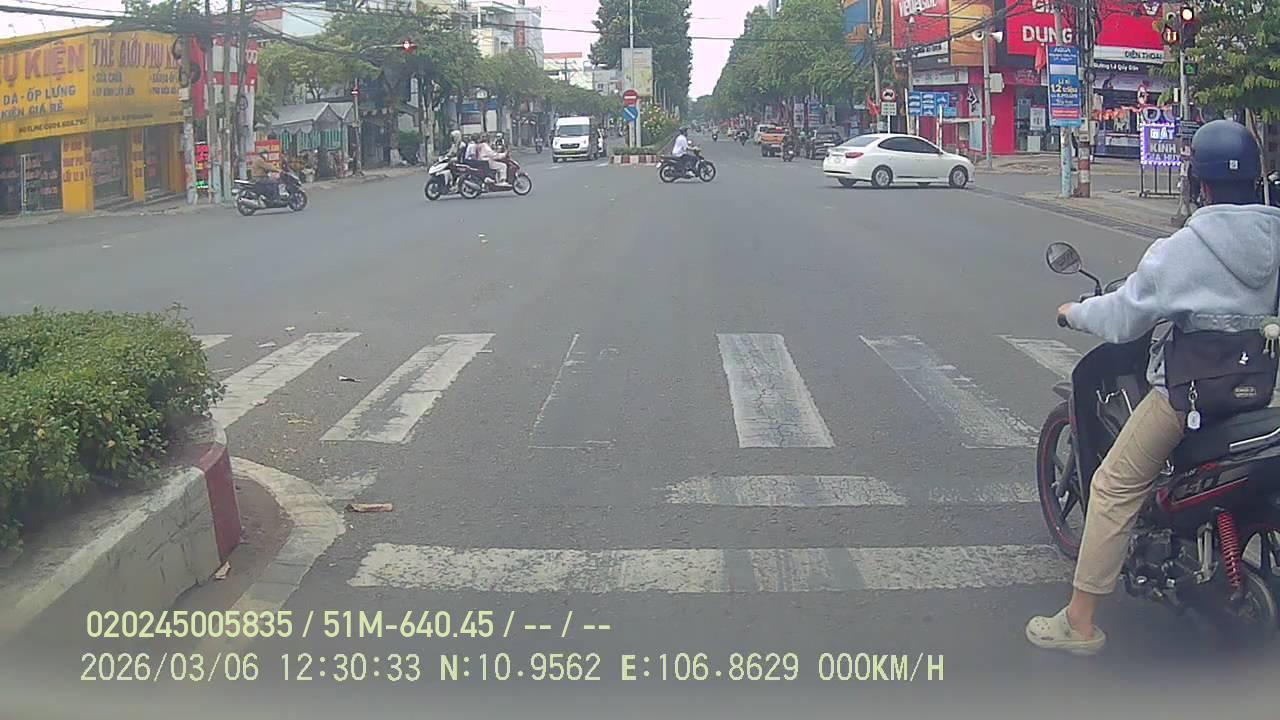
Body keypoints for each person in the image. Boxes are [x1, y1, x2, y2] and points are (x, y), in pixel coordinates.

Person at [1026, 119, 1280, 656]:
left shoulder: (1183, 249)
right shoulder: (1274, 238)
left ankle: (1079, 623)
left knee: (1113, 486)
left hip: (1190, 398)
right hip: (1260, 393)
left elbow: (1124, 317)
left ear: (1198, 183)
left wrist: (1074, 312)